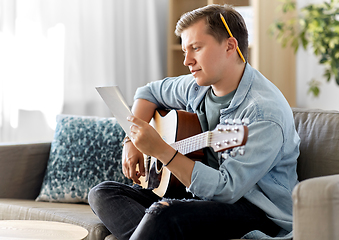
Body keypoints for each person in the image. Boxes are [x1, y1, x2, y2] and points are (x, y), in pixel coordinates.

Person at [89, 4, 300, 240]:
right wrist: (131, 141)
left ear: (230, 46)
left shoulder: (263, 113)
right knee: (102, 193)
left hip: (255, 209)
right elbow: (147, 92)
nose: (187, 61)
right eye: (184, 51)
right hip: (197, 196)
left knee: (163, 214)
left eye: (196, 48)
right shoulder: (197, 87)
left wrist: (161, 151)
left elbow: (226, 189)